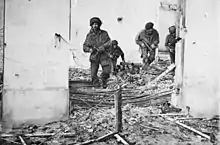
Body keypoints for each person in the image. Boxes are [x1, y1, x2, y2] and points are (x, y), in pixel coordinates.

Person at [83, 17, 112, 89]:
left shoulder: (104, 33)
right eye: (94, 24)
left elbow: (109, 42)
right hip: (94, 56)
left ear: (99, 25)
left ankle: (104, 82)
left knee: (107, 71)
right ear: (91, 25)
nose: (95, 26)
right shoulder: (89, 36)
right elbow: (84, 47)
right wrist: (89, 50)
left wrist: (103, 47)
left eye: (97, 24)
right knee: (93, 75)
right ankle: (96, 87)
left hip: (104, 55)